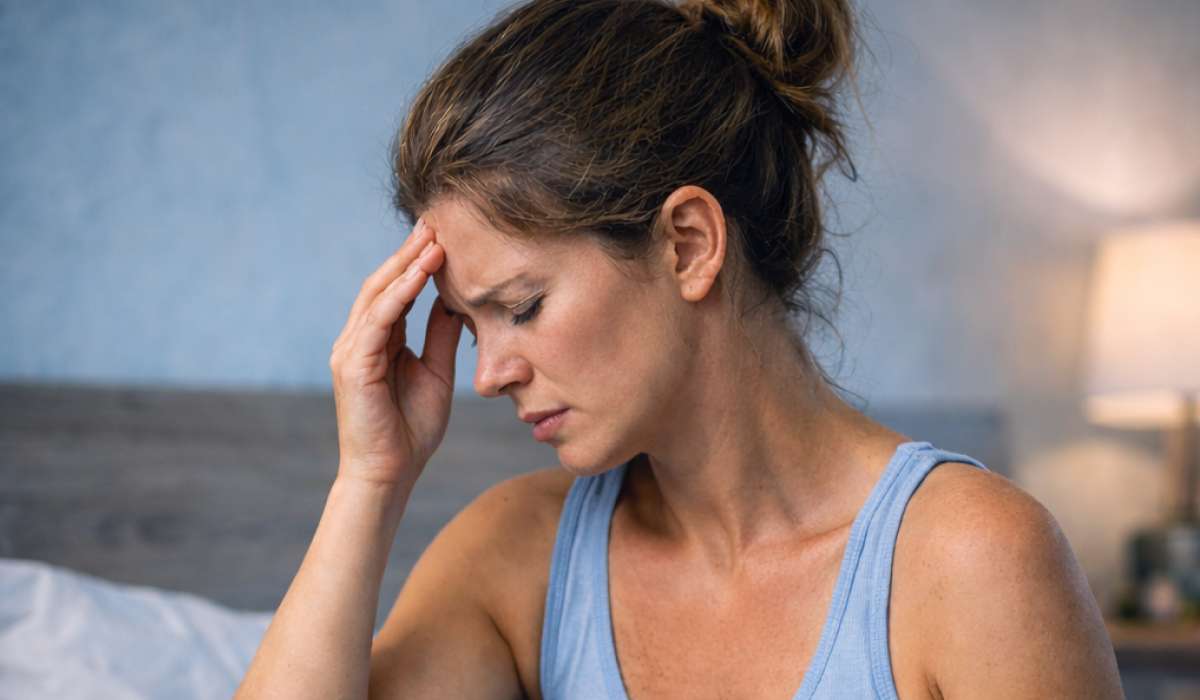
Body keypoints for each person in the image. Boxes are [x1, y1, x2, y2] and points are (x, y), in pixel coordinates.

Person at [235, 0, 1125, 697]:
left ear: (688, 245)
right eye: (470, 327)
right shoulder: (516, 557)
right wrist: (369, 483)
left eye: (523, 306)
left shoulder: (971, 562)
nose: (488, 376)